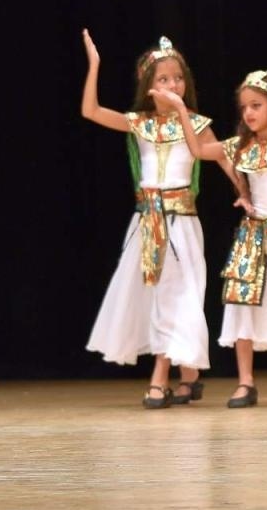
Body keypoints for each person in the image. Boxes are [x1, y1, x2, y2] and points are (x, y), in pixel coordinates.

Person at [161, 70, 267, 408]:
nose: (249, 113)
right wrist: (180, 110)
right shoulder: (240, 147)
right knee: (241, 309)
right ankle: (246, 381)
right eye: (245, 107)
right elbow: (198, 148)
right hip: (253, 239)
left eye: (256, 105)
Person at [80, 31, 216, 408]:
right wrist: (94, 65)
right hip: (148, 224)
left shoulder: (198, 124)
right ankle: (188, 375)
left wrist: (244, 194)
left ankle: (161, 376)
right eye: (163, 79)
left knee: (180, 297)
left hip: (182, 224)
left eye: (177, 77)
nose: (173, 84)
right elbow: (90, 111)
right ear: (148, 85)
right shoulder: (139, 123)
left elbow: (214, 156)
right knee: (160, 298)